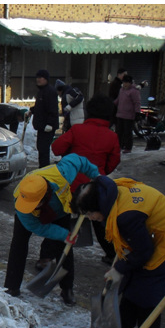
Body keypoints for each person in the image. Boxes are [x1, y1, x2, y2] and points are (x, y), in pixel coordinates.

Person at [72, 175, 165, 328]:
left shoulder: (126, 217)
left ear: (98, 206)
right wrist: (124, 265)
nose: (90, 218)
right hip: (150, 235)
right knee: (132, 282)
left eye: (90, 213)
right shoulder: (110, 192)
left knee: (148, 292)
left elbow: (144, 251)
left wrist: (120, 268)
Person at [4, 153, 101, 305]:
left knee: (65, 249)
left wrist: (96, 176)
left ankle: (67, 289)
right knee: (18, 245)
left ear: (45, 196)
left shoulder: (62, 174)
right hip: (31, 218)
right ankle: (12, 286)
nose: (30, 207)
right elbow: (37, 227)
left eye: (34, 204)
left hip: (60, 211)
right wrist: (62, 234)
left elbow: (78, 159)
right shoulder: (22, 204)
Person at [49, 94, 121, 265]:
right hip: (97, 187)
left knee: (61, 219)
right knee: (100, 221)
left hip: (72, 187)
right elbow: (114, 160)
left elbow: (56, 148)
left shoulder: (77, 130)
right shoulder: (112, 137)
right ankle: (112, 254)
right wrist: (102, 172)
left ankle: (50, 255)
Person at [25, 69, 59, 168]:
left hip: (47, 127)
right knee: (41, 148)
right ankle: (42, 168)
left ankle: (44, 169)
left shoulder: (50, 92)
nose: (38, 80)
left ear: (46, 79)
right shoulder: (41, 91)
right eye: (37, 77)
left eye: (41, 78)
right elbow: (40, 107)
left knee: (44, 149)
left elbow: (53, 109)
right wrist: (31, 110)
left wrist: (50, 123)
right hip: (41, 126)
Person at [114, 75, 141, 154]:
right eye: (124, 82)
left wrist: (137, 113)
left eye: (127, 83)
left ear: (130, 83)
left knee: (127, 132)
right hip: (120, 114)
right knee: (119, 132)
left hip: (129, 115)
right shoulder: (121, 90)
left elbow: (137, 103)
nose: (125, 84)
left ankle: (128, 147)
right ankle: (119, 146)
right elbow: (118, 100)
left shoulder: (134, 91)